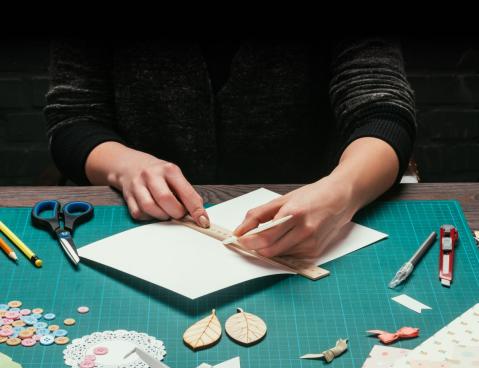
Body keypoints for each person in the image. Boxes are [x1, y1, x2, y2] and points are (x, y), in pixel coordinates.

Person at [45, 39, 415, 259]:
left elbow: (381, 108)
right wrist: (123, 165)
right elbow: (73, 116)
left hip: (313, 204)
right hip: (142, 224)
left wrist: (342, 191)